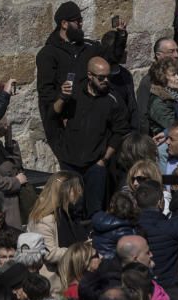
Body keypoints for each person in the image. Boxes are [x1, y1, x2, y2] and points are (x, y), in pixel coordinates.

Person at [46, 56, 130, 216]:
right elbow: (53, 114)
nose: (106, 80)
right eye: (101, 77)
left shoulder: (113, 99)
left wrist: (103, 160)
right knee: (71, 208)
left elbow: (120, 131)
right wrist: (63, 97)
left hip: (95, 164)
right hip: (70, 161)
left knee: (94, 209)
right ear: (90, 75)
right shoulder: (75, 92)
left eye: (108, 77)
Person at [36, 1, 98, 151]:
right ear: (64, 24)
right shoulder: (48, 53)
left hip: (87, 118)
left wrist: (120, 37)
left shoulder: (87, 47)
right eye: (78, 21)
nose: (81, 24)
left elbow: (110, 56)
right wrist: (59, 113)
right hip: (64, 124)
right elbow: (46, 93)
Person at [26, 173, 87, 278]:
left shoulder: (68, 212)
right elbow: (50, 254)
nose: (80, 193)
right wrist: (79, 251)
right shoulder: (44, 219)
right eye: (75, 190)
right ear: (64, 192)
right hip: (53, 277)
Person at [146, 57, 178, 136]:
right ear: (162, 77)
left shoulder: (176, 93)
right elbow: (173, 126)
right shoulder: (158, 102)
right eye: (173, 75)